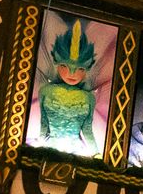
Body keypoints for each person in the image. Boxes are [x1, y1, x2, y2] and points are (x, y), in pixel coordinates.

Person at [35, 17, 101, 155]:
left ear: (87, 69)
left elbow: (87, 129)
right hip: (51, 149)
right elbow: (44, 125)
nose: (72, 73)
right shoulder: (45, 91)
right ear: (57, 64)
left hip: (74, 151)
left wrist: (96, 154)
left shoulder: (88, 98)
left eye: (80, 69)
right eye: (65, 66)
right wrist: (36, 147)